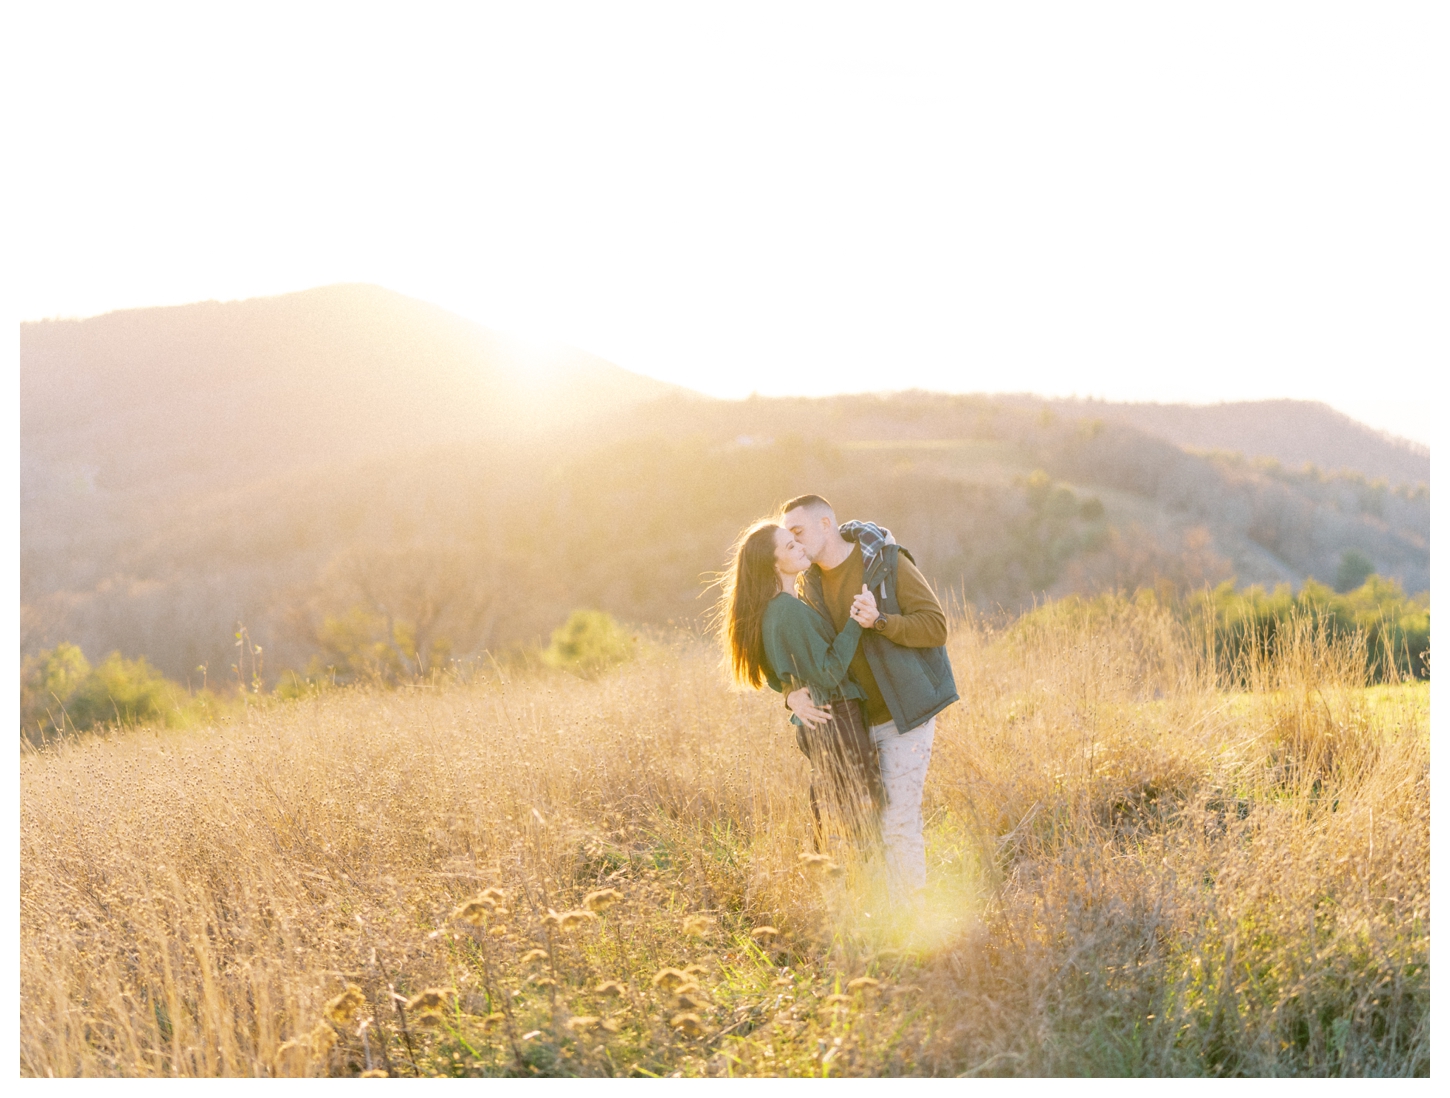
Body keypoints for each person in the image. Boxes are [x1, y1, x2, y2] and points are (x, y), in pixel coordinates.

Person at [780, 494, 958, 905]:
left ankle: (912, 921)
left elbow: (936, 626)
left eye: (798, 531)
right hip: (852, 726)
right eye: (789, 536)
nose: (795, 543)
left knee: (899, 822)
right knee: (867, 827)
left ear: (826, 524)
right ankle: (885, 919)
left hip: (905, 716)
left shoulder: (887, 562)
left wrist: (880, 621)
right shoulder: (807, 588)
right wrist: (791, 696)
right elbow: (799, 656)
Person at [718, 520, 885, 854]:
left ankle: (840, 883)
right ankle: (864, 890)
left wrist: (788, 693)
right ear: (773, 563)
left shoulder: (777, 608)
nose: (800, 548)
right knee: (862, 818)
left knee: (834, 812)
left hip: (822, 722)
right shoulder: (787, 611)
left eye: (797, 541)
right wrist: (856, 621)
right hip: (836, 719)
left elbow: (772, 669)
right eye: (790, 546)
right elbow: (828, 671)